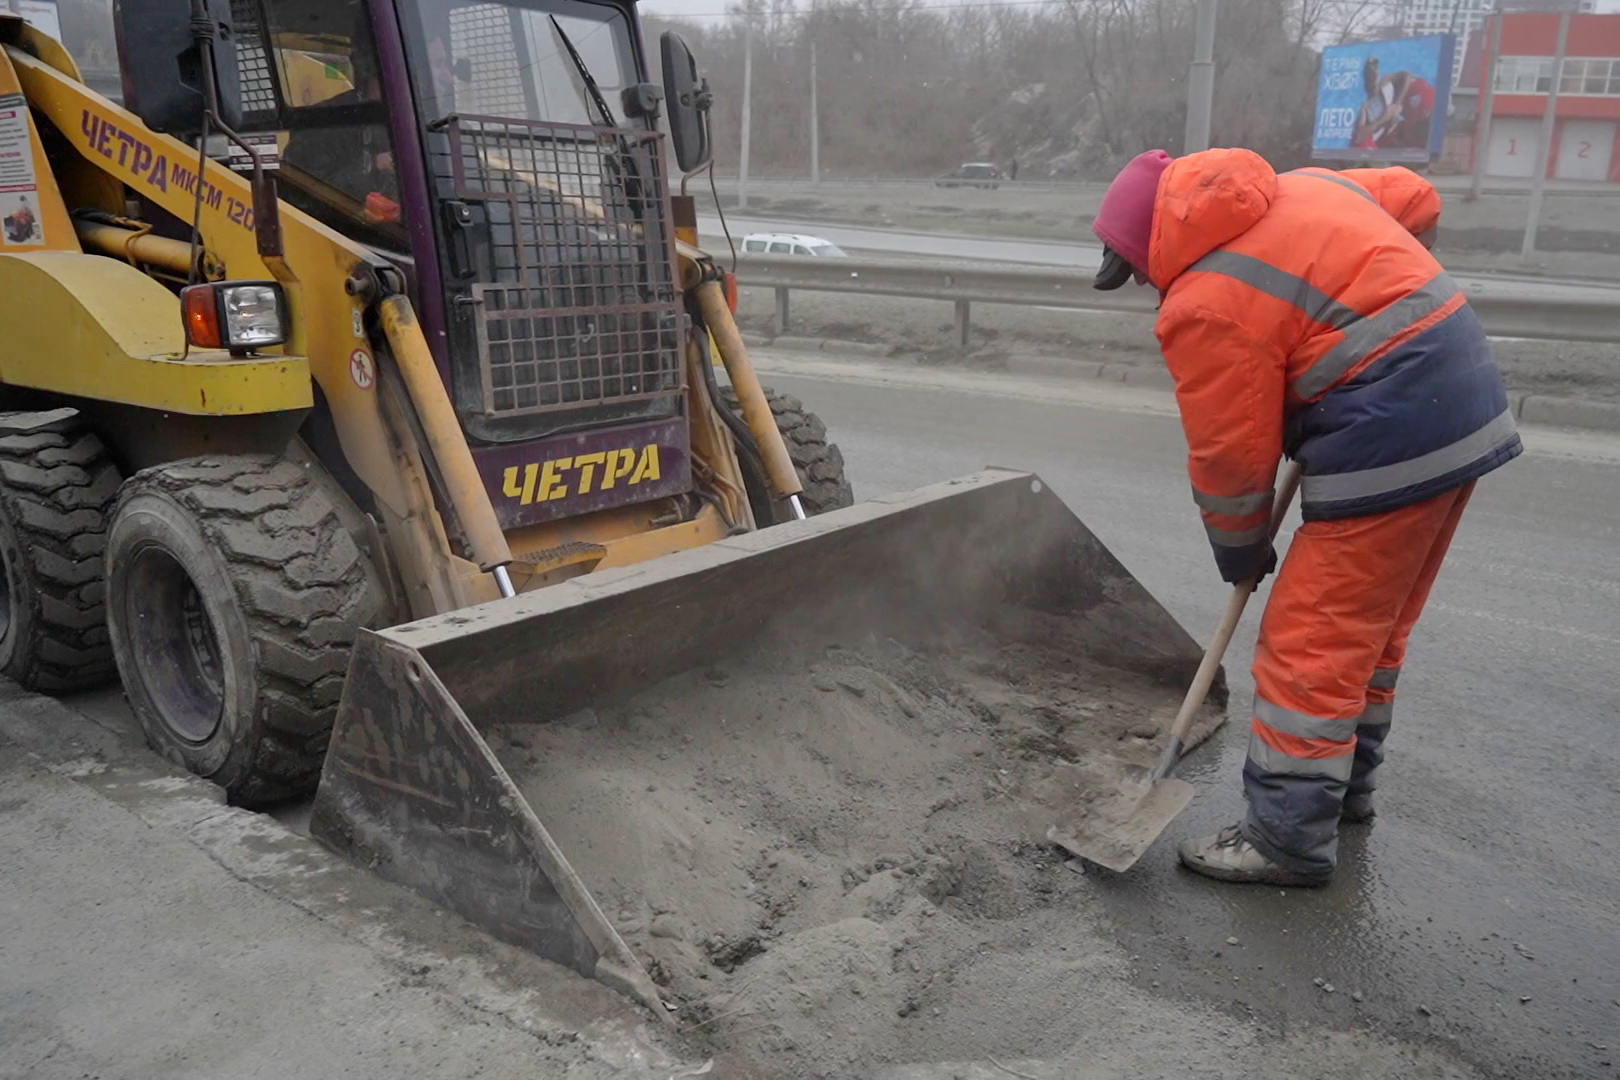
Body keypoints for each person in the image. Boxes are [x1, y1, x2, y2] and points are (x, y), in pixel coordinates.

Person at [1090, 148, 1520, 886]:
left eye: (1135, 272)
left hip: (1392, 424)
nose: (1146, 286)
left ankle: (1286, 838)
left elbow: (1231, 459)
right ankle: (1344, 791)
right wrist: (1373, 296)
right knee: (1372, 631)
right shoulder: (1304, 187)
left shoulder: (1205, 300)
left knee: (1312, 638)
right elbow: (1413, 198)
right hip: (1467, 394)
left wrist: (1242, 552)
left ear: (1149, 245)